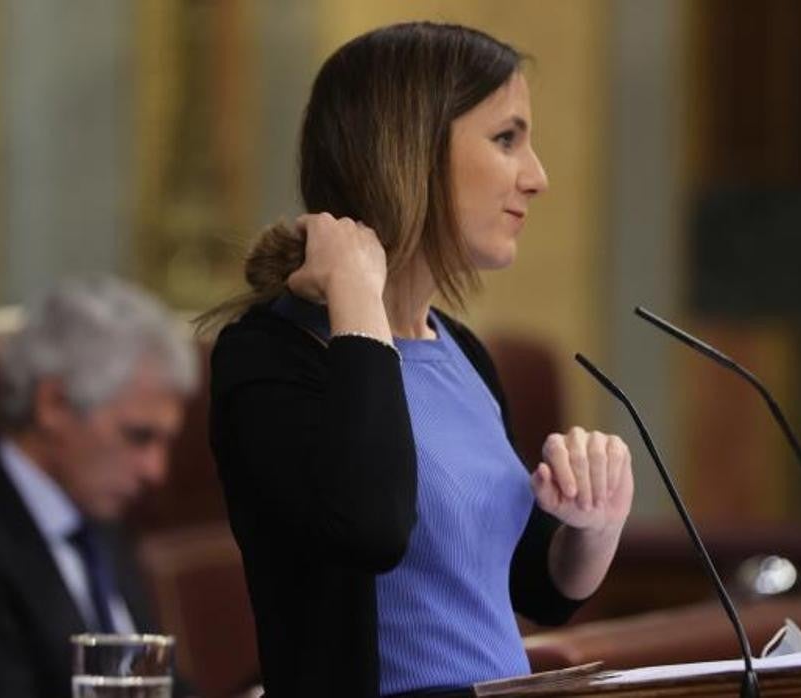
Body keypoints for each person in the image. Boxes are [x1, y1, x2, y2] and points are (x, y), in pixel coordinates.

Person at [205, 22, 635, 697]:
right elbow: (370, 528)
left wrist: (593, 523)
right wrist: (355, 295)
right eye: (506, 139)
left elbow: (531, 589)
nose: (537, 177)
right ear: (408, 151)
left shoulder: (459, 349)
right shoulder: (270, 356)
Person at [0, 275, 199, 698]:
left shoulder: (102, 529)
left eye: (165, 442)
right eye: (139, 437)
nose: (155, 471)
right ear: (53, 404)